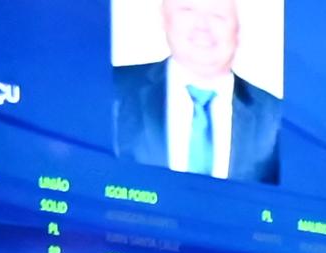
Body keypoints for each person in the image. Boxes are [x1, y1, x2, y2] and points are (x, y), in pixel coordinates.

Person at [115, 0, 280, 182]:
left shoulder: (276, 117)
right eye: (187, 10)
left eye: (218, 15)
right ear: (165, 17)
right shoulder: (114, 87)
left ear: (238, 28)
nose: (203, 27)